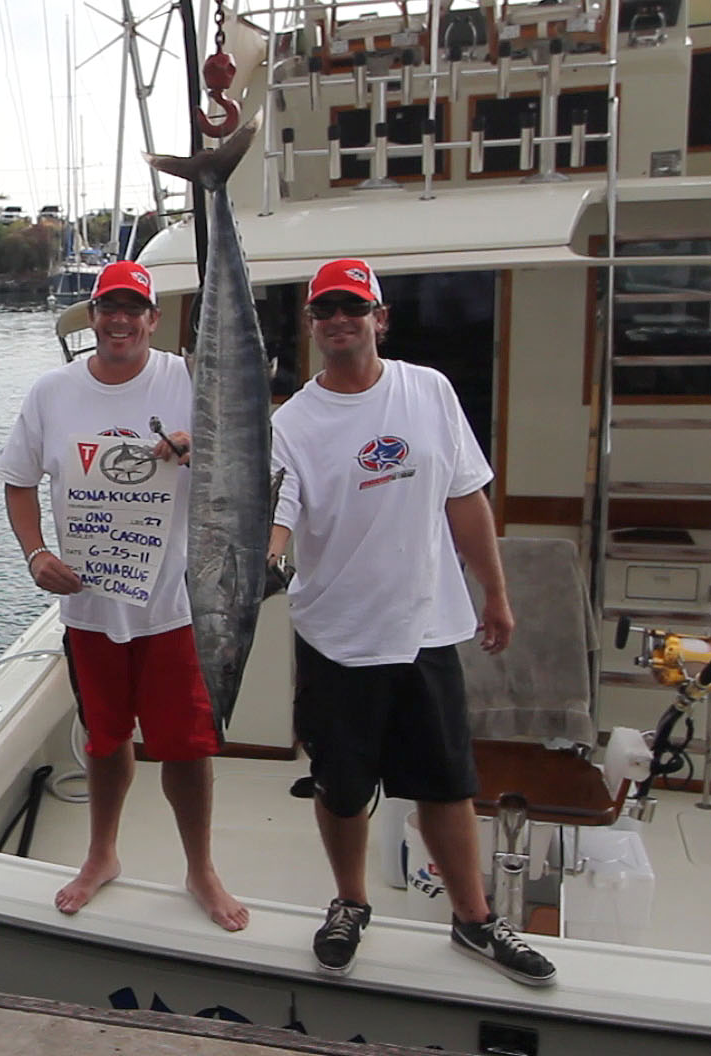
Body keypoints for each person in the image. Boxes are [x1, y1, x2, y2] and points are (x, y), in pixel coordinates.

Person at [267, 258, 556, 986]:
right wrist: (259, 563)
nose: (340, 320)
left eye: (353, 308)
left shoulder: (429, 391)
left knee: (447, 785)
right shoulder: (290, 424)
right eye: (325, 310)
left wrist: (494, 591)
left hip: (426, 626)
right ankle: (350, 903)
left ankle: (474, 918)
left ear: (379, 319)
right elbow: (277, 522)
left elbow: (466, 499)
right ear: (311, 326)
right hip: (336, 634)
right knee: (340, 787)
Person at [0, 261, 249, 932]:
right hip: (89, 606)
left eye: (133, 309)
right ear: (92, 313)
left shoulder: (188, 379)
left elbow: (247, 457)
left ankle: (200, 868)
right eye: (109, 307)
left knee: (187, 746)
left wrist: (199, 447)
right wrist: (35, 553)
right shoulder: (52, 392)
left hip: (173, 605)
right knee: (106, 740)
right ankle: (101, 855)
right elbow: (18, 482)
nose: (120, 321)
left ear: (152, 319)